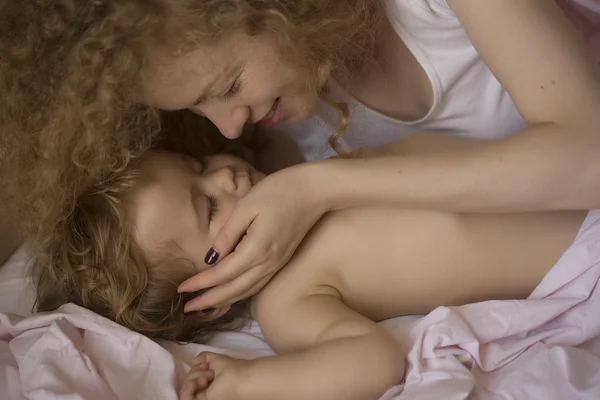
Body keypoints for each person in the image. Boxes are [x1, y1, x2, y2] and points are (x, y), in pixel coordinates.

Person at [2, 0, 600, 314]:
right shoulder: (281, 132)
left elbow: (590, 160)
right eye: (198, 110)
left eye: (229, 84)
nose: (228, 128)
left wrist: (322, 186)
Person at [37, 131, 593, 400]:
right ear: (208, 295)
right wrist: (253, 381)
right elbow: (372, 359)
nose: (226, 179)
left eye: (199, 163)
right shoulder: (287, 301)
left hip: (566, 180)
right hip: (581, 254)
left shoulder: (293, 188)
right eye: (209, 209)